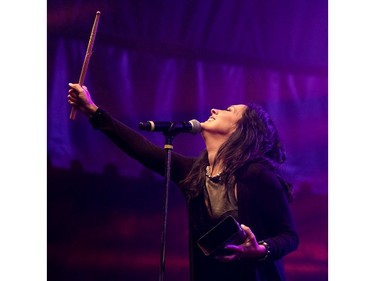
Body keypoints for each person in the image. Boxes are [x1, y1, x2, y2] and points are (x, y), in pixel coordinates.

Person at [67, 83, 299, 281]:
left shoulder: (257, 175)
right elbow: (141, 149)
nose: (214, 109)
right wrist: (93, 111)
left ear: (242, 130)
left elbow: (289, 236)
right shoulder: (193, 173)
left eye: (229, 110)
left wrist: (260, 249)